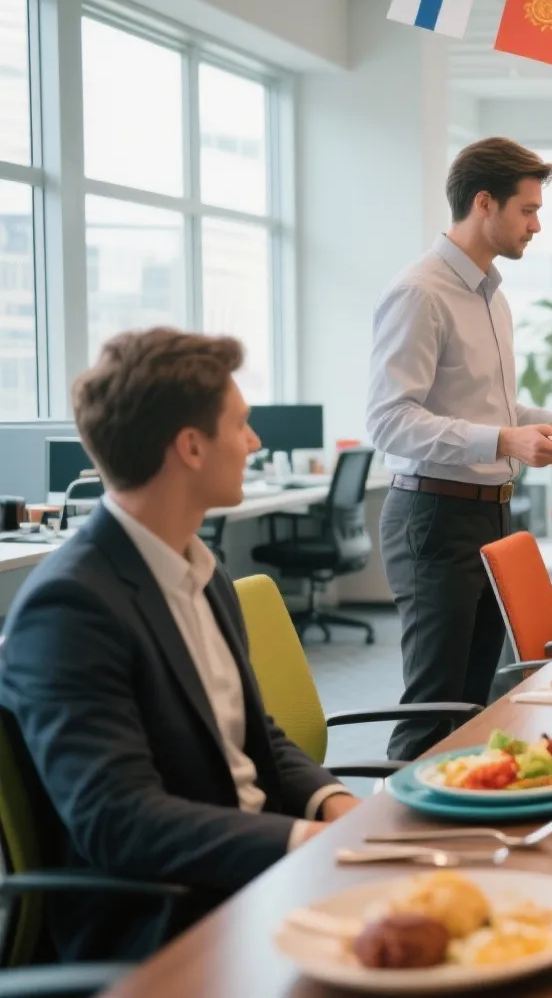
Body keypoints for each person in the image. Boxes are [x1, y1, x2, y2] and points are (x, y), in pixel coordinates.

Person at [0, 329, 357, 961]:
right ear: (191, 446)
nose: (255, 442)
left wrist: (333, 801)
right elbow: (120, 818)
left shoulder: (202, 569)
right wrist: (299, 842)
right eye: (241, 425)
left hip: (259, 873)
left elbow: (253, 733)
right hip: (172, 917)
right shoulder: (70, 608)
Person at [366, 137, 552, 761]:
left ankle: (457, 838)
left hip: (489, 511)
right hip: (433, 516)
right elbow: (389, 420)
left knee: (475, 706)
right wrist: (502, 439)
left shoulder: (492, 295)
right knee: (433, 707)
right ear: (484, 203)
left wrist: (545, 422)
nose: (536, 225)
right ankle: (398, 848)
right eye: (527, 209)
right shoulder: (421, 292)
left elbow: (483, 407)